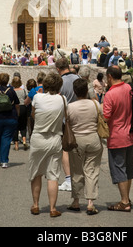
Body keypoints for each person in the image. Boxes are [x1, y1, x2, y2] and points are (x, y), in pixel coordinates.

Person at [28, 72, 65, 218]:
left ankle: (36, 205)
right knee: (53, 175)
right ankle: (52, 208)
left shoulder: (37, 97)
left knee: (36, 172)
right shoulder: (62, 99)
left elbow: (33, 114)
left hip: (38, 138)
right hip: (55, 138)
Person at [103, 66, 133, 212]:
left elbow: (106, 116)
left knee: (119, 169)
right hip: (132, 135)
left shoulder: (110, 95)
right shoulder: (131, 89)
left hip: (117, 137)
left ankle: (124, 202)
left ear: (110, 77)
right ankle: (126, 198)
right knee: (129, 170)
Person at [67, 79, 103, 215]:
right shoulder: (95, 104)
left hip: (77, 140)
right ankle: (90, 202)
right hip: (93, 139)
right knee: (92, 170)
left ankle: (76, 201)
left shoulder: (70, 107)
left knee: (76, 170)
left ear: (75, 92)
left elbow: (68, 123)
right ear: (86, 90)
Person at [55, 57, 79, 192]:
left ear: (58, 69)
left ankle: (69, 179)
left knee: (65, 149)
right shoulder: (78, 78)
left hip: (66, 119)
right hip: (79, 116)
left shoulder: (60, 82)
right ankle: (79, 176)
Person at [11, 76, 28, 151]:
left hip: (15, 108)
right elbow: (26, 98)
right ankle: (24, 140)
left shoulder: (12, 91)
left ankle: (16, 145)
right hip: (23, 108)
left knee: (15, 127)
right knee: (23, 125)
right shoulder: (24, 90)